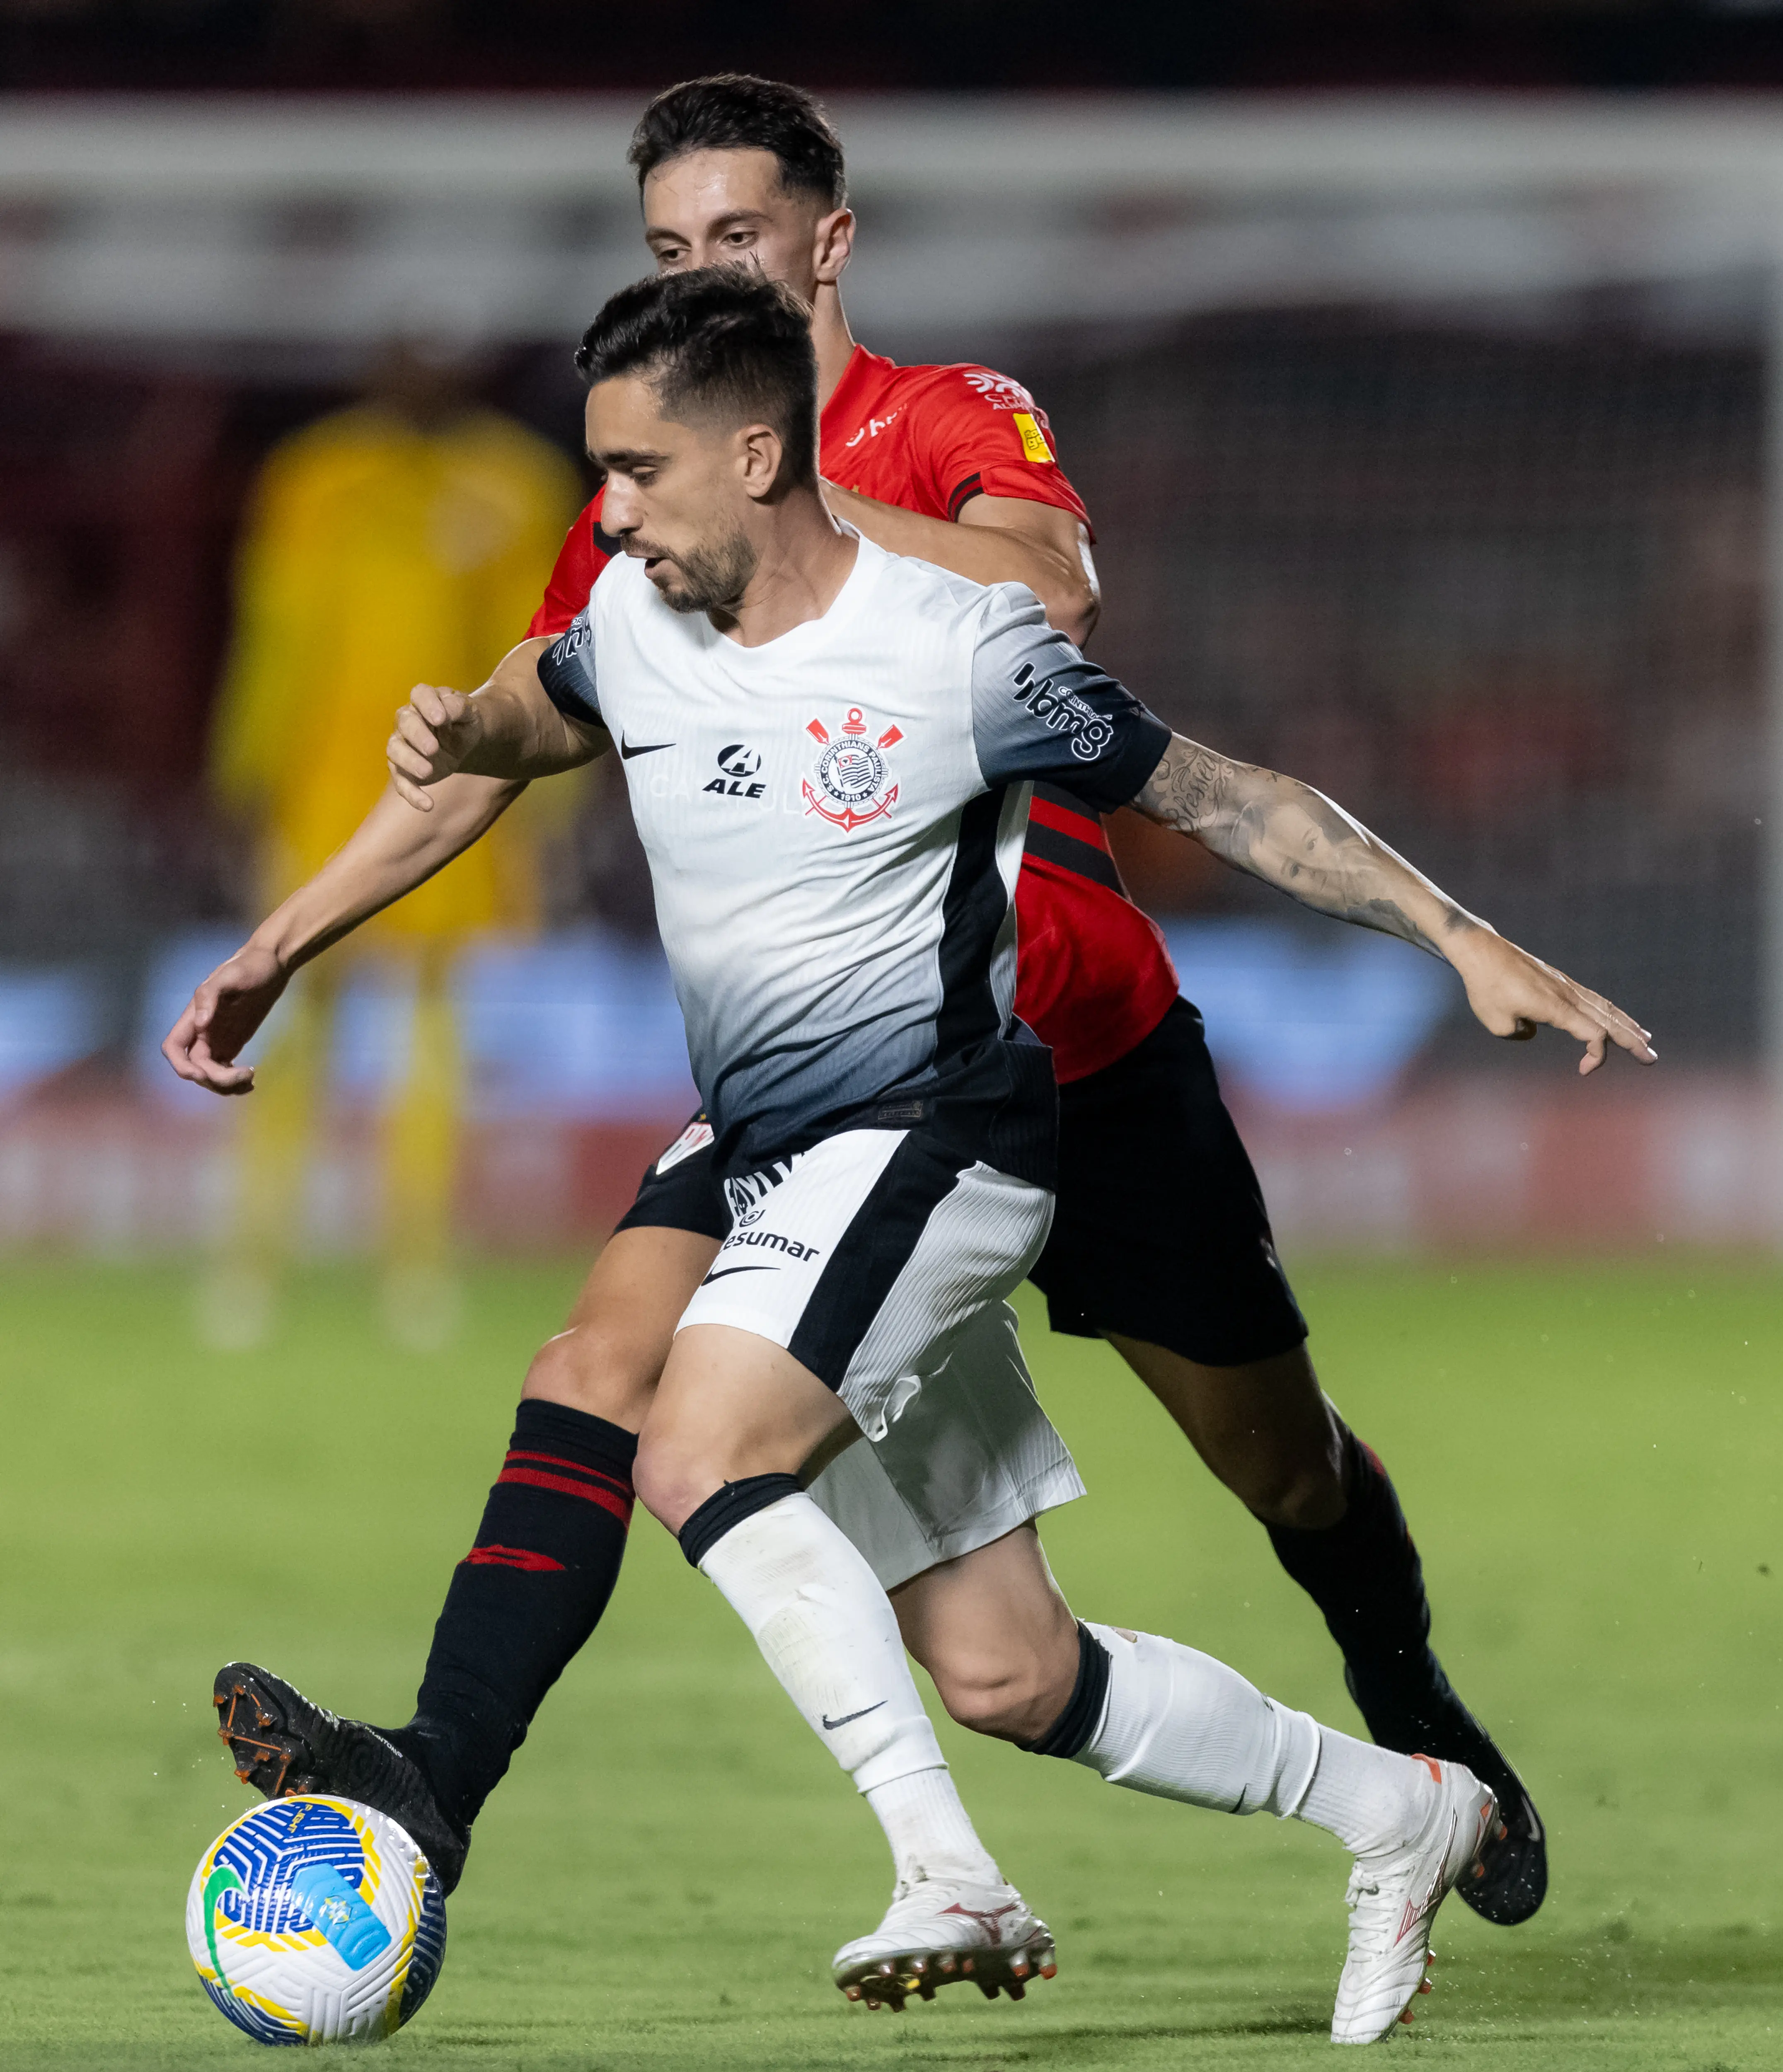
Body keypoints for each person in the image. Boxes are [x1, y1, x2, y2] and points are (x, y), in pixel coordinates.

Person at [172, 268, 1650, 2041]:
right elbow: (532, 711)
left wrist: (1458, 933)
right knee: (1010, 1666)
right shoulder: (639, 625)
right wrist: (446, 742)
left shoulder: (954, 650)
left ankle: (947, 1873)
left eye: (637, 473)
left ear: (755, 449)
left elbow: (1230, 794)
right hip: (779, 1154)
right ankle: (1404, 1809)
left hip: (944, 1134)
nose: (609, 512)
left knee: (695, 1435)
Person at [434, 73, 1552, 1922]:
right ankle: (427, 1792)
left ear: (823, 241)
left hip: (1077, 1056)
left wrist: (797, 498)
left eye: (736, 238)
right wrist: (289, 933)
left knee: (1279, 1462)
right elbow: (530, 715)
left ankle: (1403, 1708)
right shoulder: (647, 515)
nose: (708, 268)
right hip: (823, 1098)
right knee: (615, 1381)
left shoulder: (942, 426)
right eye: (669, 249)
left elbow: (1066, 605)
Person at [204, 341, 579, 1348]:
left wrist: (539, 811)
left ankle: (415, 1261)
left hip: (450, 787)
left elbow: (541, 656)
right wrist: (248, 771)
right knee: (288, 1009)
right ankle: (253, 1256)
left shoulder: (512, 486)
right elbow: (276, 631)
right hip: (325, 784)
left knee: (434, 1028)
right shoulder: (318, 478)